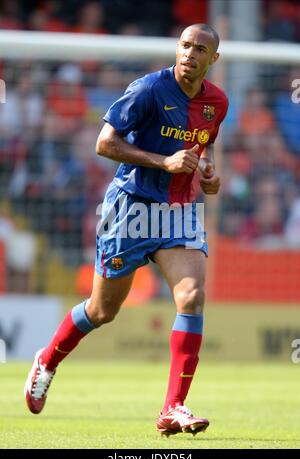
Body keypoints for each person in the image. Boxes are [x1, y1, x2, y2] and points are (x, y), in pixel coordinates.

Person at [24, 23, 228, 437]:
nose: (190, 53)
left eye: (200, 48)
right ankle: (46, 360)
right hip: (131, 208)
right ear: (177, 48)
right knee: (103, 311)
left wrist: (206, 173)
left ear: (213, 59)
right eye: (185, 45)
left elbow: (200, 148)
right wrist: (163, 161)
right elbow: (104, 143)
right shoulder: (148, 90)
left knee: (192, 296)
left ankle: (173, 406)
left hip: (179, 209)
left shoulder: (216, 103)